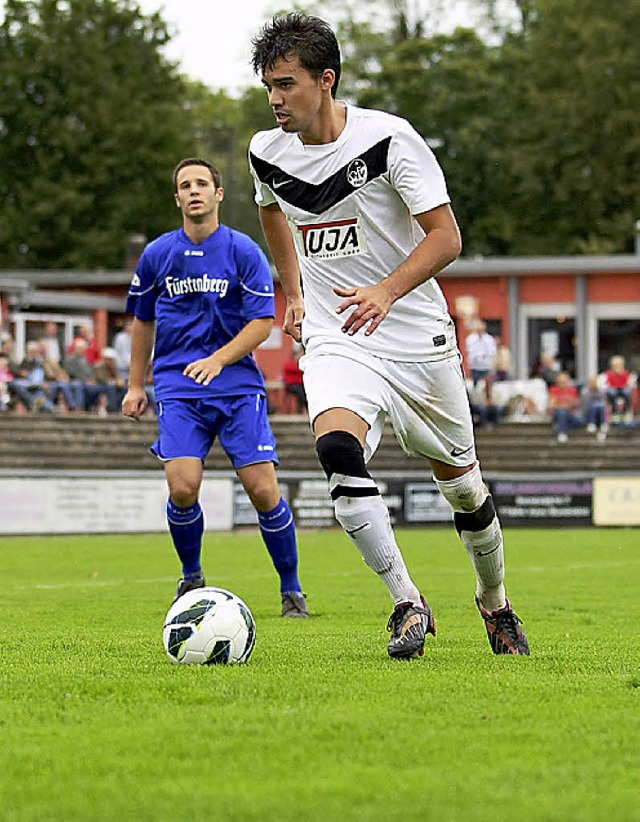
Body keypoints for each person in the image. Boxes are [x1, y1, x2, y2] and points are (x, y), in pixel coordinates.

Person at [248, 12, 529, 658]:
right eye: (269, 86)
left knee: (463, 486)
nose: (275, 99)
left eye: (287, 84)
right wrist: (293, 291)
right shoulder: (267, 150)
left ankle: (495, 604)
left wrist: (385, 291)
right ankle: (407, 602)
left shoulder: (390, 140)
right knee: (338, 452)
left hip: (415, 337)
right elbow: (270, 209)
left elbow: (447, 236)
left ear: (327, 80)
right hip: (339, 336)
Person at [122, 157, 308, 617]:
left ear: (219, 194)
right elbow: (141, 322)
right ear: (178, 198)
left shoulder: (244, 251)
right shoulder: (157, 255)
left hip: (237, 385)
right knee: (183, 487)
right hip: (178, 387)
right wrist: (134, 385)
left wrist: (219, 359)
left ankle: (292, 589)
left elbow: (263, 322)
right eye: (185, 185)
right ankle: (192, 576)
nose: (194, 191)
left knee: (264, 491)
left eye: (202, 183)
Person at [548, 371, 583, 442]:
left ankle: (560, 426)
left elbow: (576, 403)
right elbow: (552, 405)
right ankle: (562, 433)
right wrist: (563, 406)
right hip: (557, 413)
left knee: (581, 421)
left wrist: (570, 404)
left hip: (570, 414)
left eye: (564, 381)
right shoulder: (553, 390)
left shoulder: (572, 390)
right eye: (560, 381)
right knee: (562, 412)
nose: (562, 383)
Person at [602, 355, 634, 423]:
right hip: (613, 389)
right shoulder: (608, 374)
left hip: (623, 389)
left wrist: (628, 384)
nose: (618, 367)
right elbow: (605, 384)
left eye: (619, 365)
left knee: (627, 392)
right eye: (616, 365)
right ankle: (615, 412)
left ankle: (626, 411)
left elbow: (629, 383)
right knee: (612, 392)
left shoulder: (626, 373)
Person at [465, 320, 497, 386]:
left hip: (486, 365)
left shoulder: (489, 339)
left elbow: (492, 351)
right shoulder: (471, 339)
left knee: (488, 383)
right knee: (475, 384)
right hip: (475, 366)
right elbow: (470, 350)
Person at [581, 376, 608, 441]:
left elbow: (605, 403)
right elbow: (585, 405)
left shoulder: (601, 391)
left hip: (600, 413)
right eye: (591, 382)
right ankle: (591, 423)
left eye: (594, 382)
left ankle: (603, 423)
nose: (593, 384)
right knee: (594, 405)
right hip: (588, 413)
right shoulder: (585, 391)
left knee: (600, 405)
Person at [282, 344, 307, 413]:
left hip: (300, 385)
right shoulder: (289, 364)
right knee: (303, 394)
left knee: (305, 392)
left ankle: (303, 411)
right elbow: (300, 369)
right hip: (292, 385)